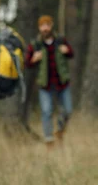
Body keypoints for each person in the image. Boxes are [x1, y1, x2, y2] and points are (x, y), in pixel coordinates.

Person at [25, 15, 74, 149]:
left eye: (47, 25)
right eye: (42, 25)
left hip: (62, 82)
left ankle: (59, 130)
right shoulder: (35, 44)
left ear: (51, 26)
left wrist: (67, 50)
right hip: (45, 84)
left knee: (68, 110)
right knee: (46, 112)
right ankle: (49, 141)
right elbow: (27, 63)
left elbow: (71, 54)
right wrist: (33, 59)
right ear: (39, 28)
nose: (45, 28)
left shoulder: (60, 40)